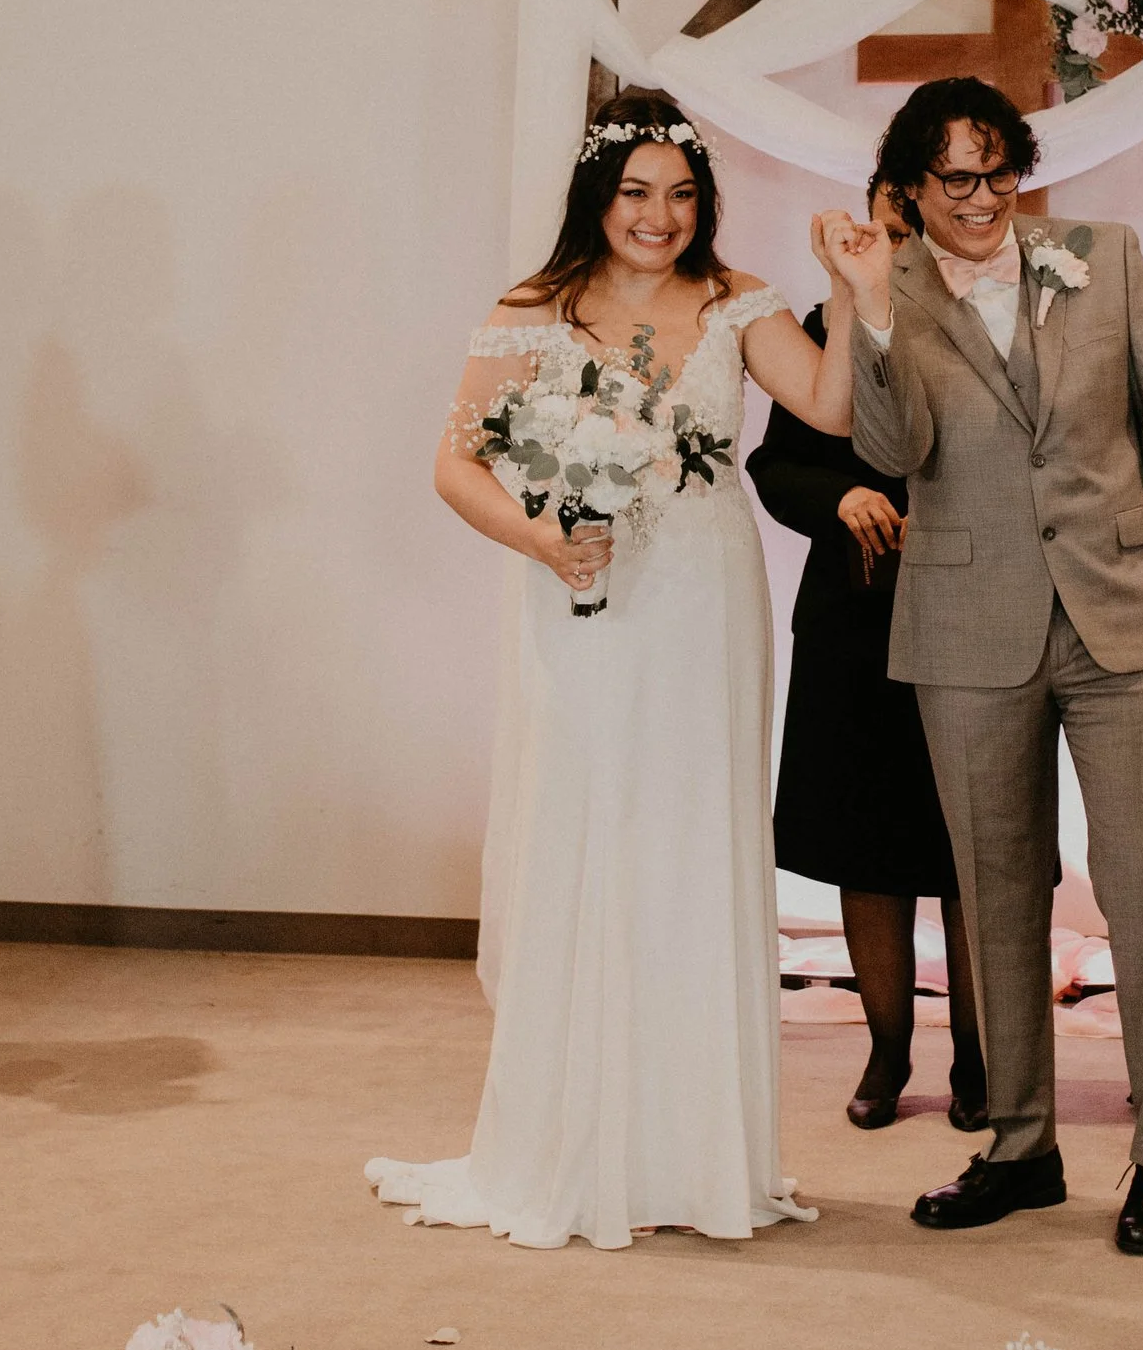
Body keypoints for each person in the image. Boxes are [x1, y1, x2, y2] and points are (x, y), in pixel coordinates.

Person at [371, 92, 878, 1252]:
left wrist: (849, 294)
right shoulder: (530, 310)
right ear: (598, 195)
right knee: (589, 831)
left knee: (692, 840)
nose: (659, 216)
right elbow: (456, 465)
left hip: (705, 601)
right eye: (638, 191)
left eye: (682, 193)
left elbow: (830, 403)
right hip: (588, 601)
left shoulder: (736, 299)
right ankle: (573, 1138)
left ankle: (695, 1149)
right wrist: (543, 539)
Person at [825, 77, 1143, 1257]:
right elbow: (889, 445)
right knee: (995, 887)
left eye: (997, 172)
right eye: (953, 178)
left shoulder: (1101, 255)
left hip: (1124, 610)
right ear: (912, 188)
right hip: (967, 621)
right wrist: (867, 311)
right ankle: (1020, 1146)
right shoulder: (884, 284)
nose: (979, 199)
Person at [749, 180, 989, 1135]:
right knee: (866, 849)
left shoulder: (987, 322)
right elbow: (778, 465)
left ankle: (981, 1059)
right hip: (855, 623)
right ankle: (888, 1048)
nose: (892, 246)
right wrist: (839, 499)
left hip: (973, 619)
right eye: (880, 229)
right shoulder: (824, 320)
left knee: (977, 851)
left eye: (908, 230)